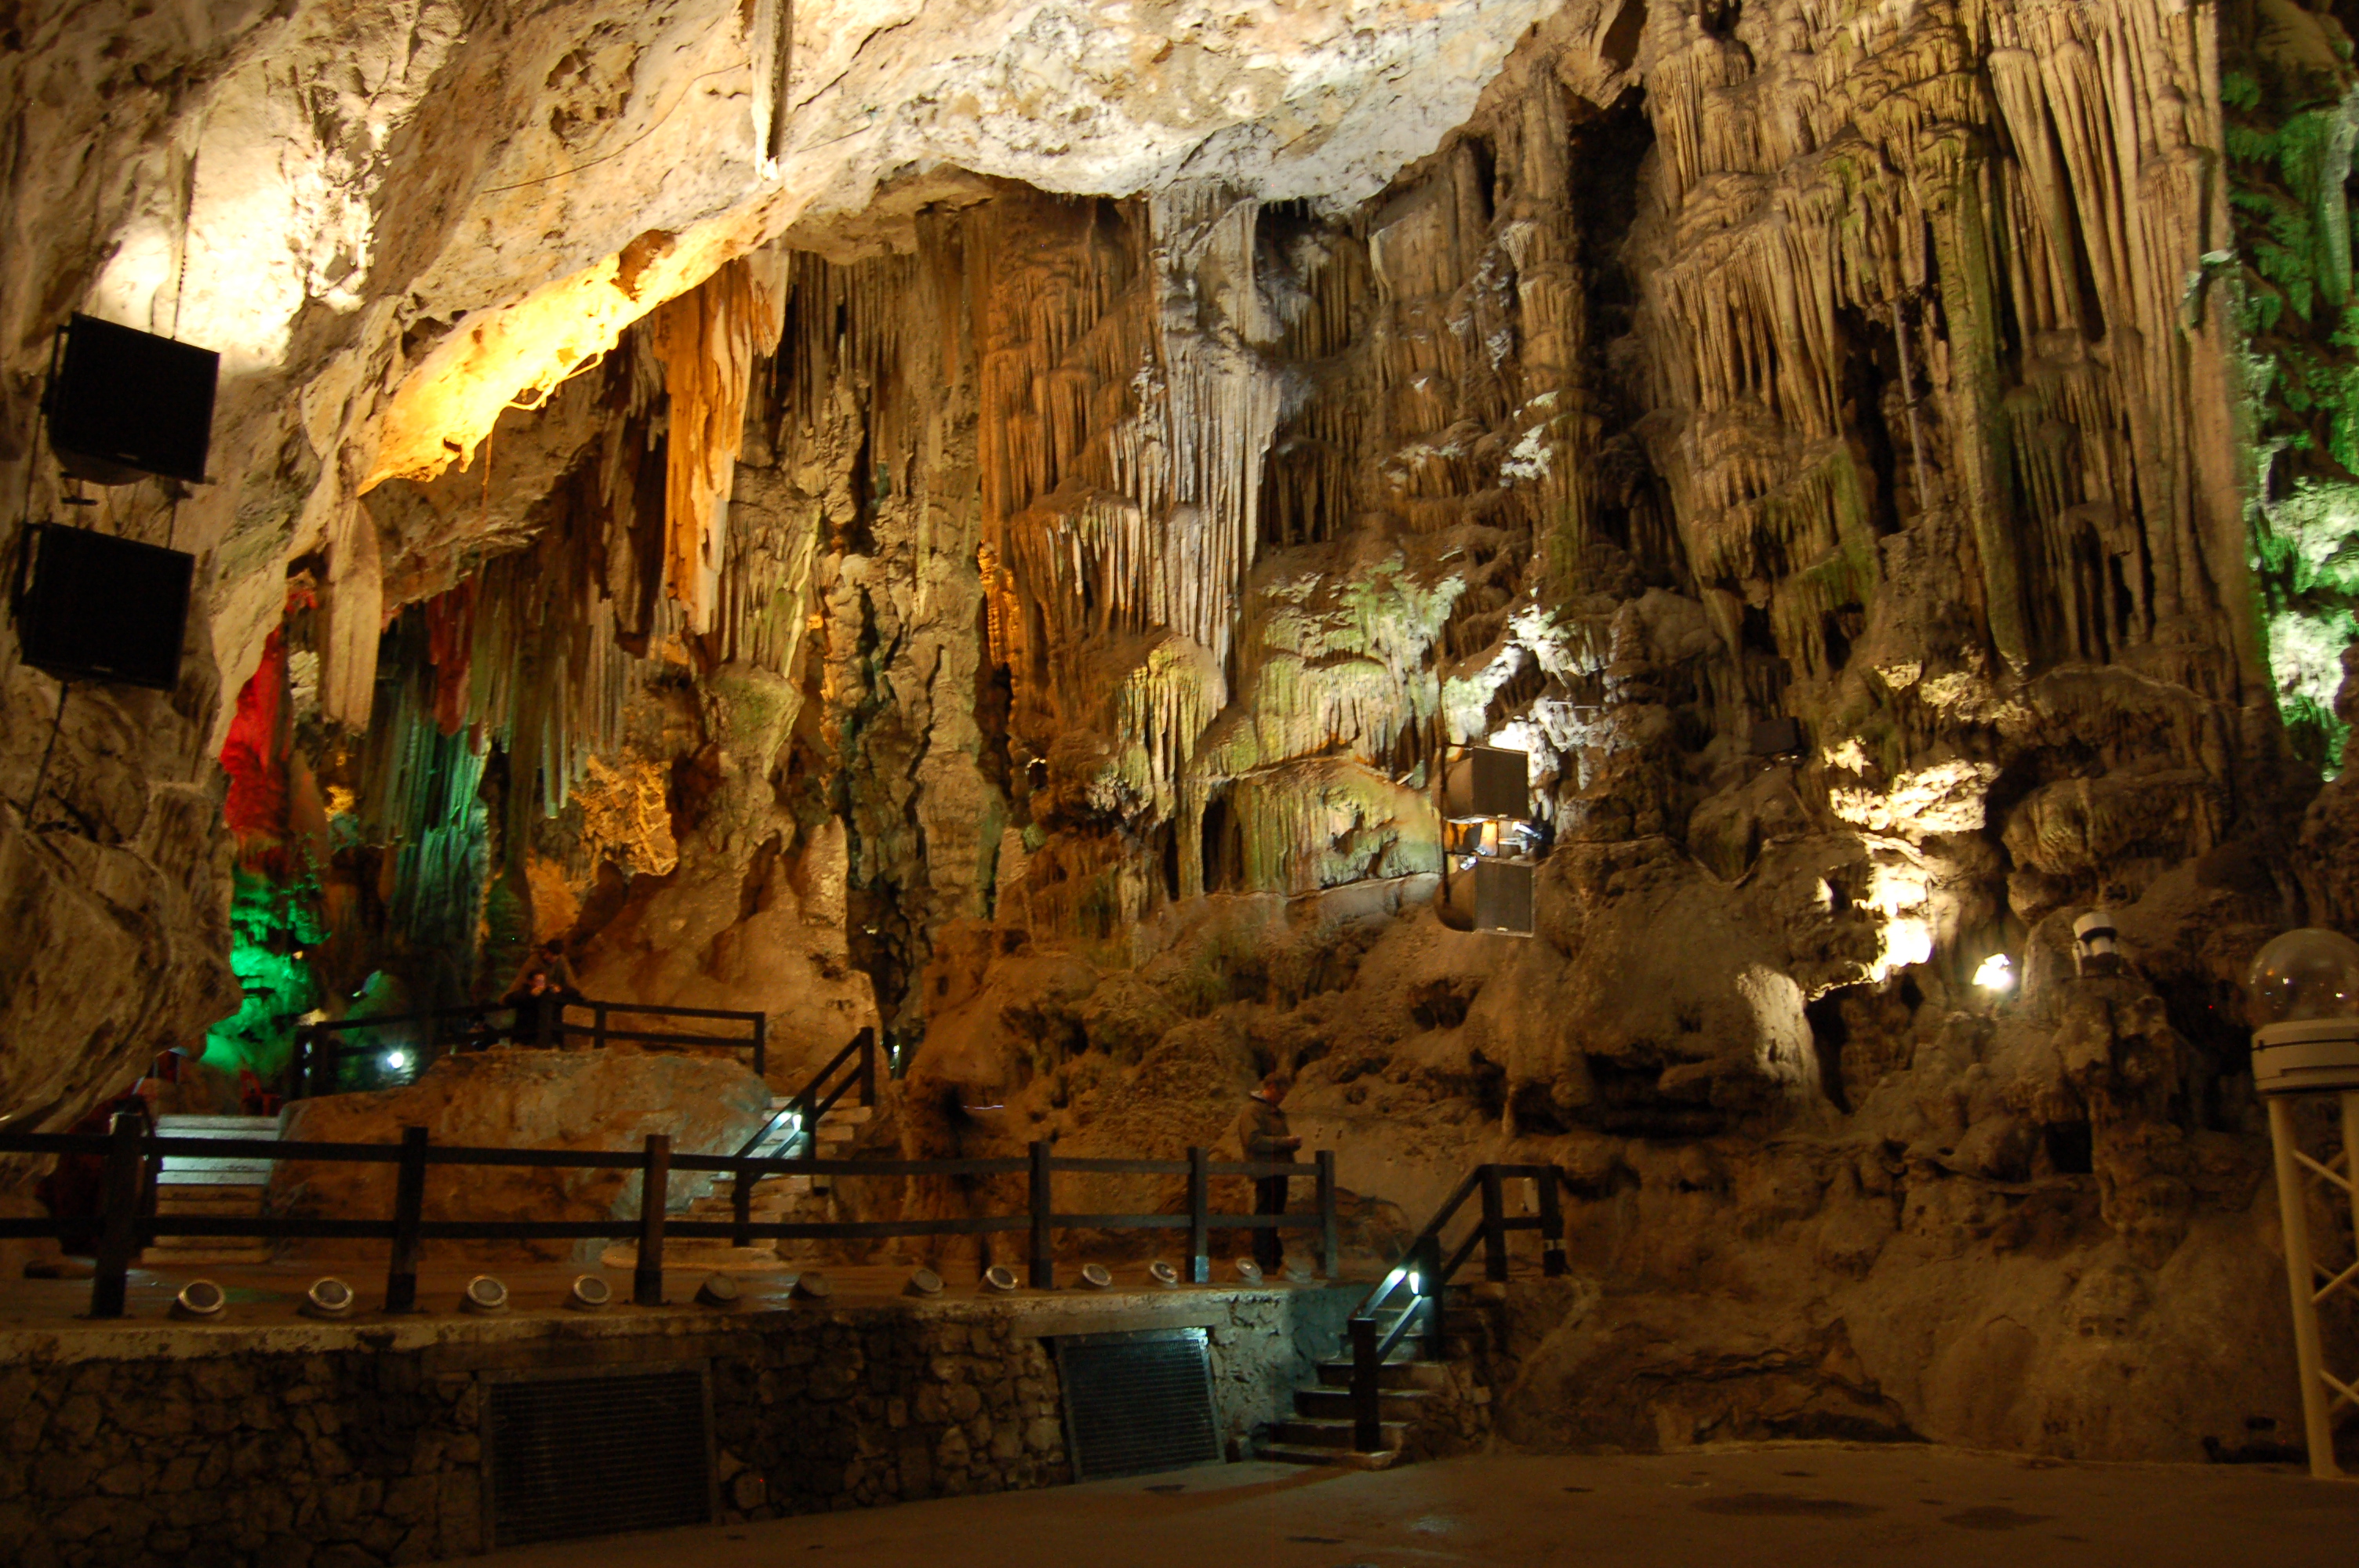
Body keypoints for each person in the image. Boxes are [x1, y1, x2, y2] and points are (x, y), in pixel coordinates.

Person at [1235, 1072, 1301, 1272]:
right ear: (1270, 1087)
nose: (1282, 1098)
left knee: (1275, 1214)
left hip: (1279, 1170)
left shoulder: (1274, 1112)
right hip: (1265, 1171)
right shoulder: (1253, 1111)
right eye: (1280, 1093)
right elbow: (1253, 1140)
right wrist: (1284, 1142)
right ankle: (1263, 1258)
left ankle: (1273, 1258)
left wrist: (1290, 1145)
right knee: (1265, 1213)